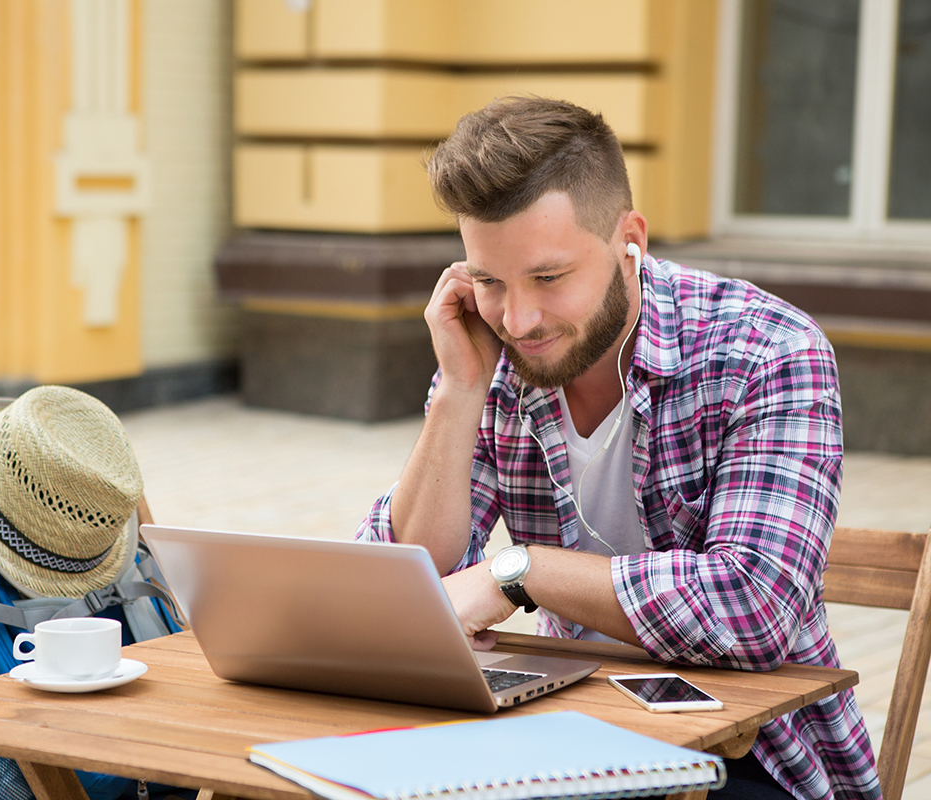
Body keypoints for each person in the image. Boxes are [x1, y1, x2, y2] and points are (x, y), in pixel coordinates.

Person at [356, 96, 880, 800]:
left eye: (547, 278)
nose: (518, 319)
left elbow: (754, 609)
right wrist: (457, 390)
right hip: (569, 726)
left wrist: (521, 573)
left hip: (755, 753)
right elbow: (398, 593)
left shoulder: (766, 349)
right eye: (488, 281)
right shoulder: (497, 357)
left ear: (628, 238)